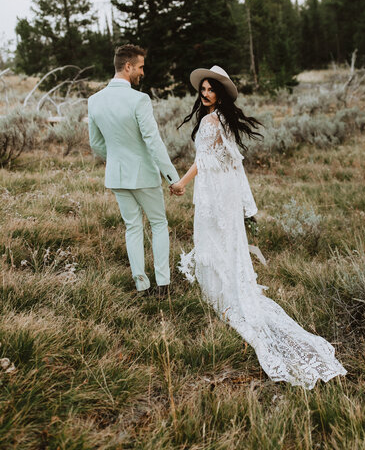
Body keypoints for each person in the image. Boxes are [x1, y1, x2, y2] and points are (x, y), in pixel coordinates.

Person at [172, 65, 347, 389]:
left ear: (220, 93)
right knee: (220, 239)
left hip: (215, 191)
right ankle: (225, 288)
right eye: (203, 90)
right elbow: (225, 161)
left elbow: (211, 160)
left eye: (211, 89)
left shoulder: (214, 121)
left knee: (215, 237)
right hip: (219, 189)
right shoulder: (221, 120)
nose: (206, 94)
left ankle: (222, 294)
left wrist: (183, 182)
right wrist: (200, 187)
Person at [88, 44, 182, 298]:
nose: (143, 72)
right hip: (143, 175)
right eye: (140, 67)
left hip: (117, 175)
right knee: (159, 223)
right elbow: (154, 141)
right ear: (128, 66)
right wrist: (173, 178)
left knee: (132, 227)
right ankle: (162, 285)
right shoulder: (139, 100)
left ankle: (142, 286)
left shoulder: (94, 101)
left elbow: (96, 143)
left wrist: (116, 159)